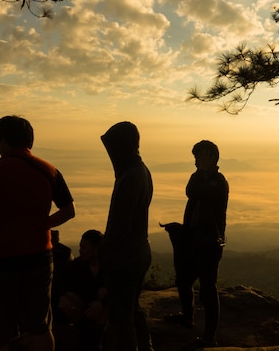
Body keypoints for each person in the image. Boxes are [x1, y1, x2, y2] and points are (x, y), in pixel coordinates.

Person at [0, 115, 76, 351]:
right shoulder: (50, 171)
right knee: (40, 326)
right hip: (40, 258)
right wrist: (41, 225)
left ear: (4, 141)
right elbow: (68, 211)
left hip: (0, 261)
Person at [166, 140, 229, 349]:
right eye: (195, 157)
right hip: (193, 238)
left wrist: (204, 172)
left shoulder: (219, 182)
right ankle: (187, 317)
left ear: (211, 156)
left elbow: (202, 193)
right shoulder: (197, 178)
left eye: (199, 156)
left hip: (211, 242)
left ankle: (209, 337)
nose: (195, 161)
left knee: (208, 289)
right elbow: (190, 191)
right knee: (183, 280)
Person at [98, 121, 154, 351]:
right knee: (132, 308)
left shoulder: (130, 177)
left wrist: (102, 252)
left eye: (113, 148)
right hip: (138, 252)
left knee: (122, 318)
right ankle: (146, 347)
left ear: (123, 147)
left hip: (125, 257)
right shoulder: (140, 171)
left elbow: (120, 226)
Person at [58, 229, 107, 351]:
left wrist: (102, 304)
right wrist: (64, 297)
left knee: (104, 292)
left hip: (102, 312)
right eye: (80, 246)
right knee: (70, 296)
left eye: (84, 247)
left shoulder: (109, 267)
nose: (80, 250)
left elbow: (119, 289)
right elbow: (62, 285)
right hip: (83, 311)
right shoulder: (76, 266)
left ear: (96, 249)